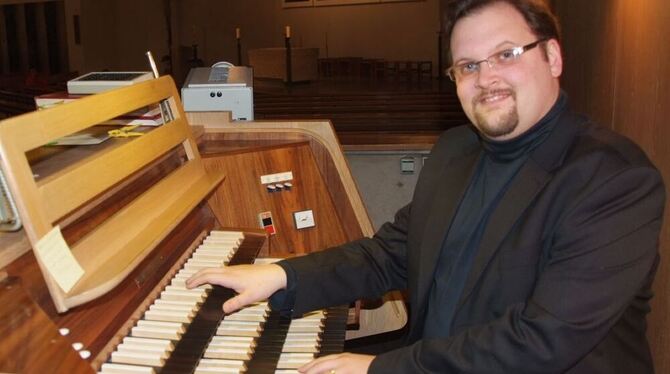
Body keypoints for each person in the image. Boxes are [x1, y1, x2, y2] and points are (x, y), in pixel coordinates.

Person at [187, 0, 666, 372]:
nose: (487, 78)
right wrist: (283, 275)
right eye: (468, 65)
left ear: (554, 57)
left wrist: (381, 369)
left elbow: (541, 342)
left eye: (506, 54)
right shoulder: (456, 151)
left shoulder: (611, 180)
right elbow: (391, 253)